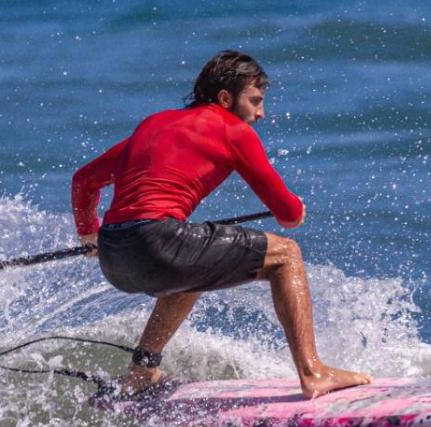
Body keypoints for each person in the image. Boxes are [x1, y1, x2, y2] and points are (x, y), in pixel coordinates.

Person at [71, 50, 371, 398]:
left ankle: (142, 371)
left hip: (115, 257)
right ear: (226, 98)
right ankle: (313, 371)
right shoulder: (233, 131)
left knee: (193, 266)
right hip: (156, 243)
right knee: (286, 255)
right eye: (255, 101)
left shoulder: (153, 125)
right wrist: (296, 210)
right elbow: (288, 216)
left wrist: (88, 233)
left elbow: (84, 180)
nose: (261, 112)